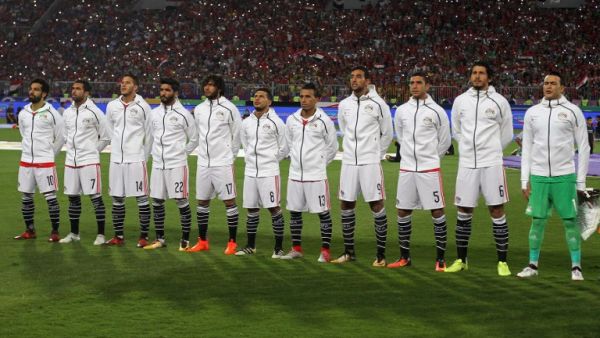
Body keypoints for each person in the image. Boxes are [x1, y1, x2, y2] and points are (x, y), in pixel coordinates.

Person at [517, 72, 590, 281]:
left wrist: (581, 181)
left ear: (562, 88)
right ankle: (532, 265)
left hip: (564, 177)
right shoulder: (532, 113)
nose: (548, 87)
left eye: (553, 83)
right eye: (546, 83)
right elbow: (527, 148)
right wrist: (525, 180)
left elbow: (583, 147)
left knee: (570, 221)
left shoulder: (573, 111)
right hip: (539, 177)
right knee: (537, 221)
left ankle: (576, 267)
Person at [446, 61, 513, 276]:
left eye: (481, 73)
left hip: (492, 163)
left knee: (496, 210)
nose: (477, 77)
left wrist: (492, 151)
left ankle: (502, 262)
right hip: (467, 164)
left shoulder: (499, 101)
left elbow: (507, 133)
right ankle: (461, 259)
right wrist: (468, 149)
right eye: (474, 73)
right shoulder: (460, 101)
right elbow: (456, 130)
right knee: (464, 211)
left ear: (489, 78)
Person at [388, 72, 451, 271]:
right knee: (403, 210)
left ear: (427, 86)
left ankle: (440, 260)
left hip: (429, 168)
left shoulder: (437, 111)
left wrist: (431, 158)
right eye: (412, 83)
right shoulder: (402, 111)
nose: (414, 86)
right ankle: (404, 257)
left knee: (437, 210)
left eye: (419, 83)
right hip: (407, 168)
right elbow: (400, 134)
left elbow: (445, 140)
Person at [332, 66, 393, 266]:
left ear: (367, 80)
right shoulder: (344, 105)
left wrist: (376, 155)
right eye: (352, 77)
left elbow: (387, 133)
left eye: (359, 77)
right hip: (349, 161)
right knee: (346, 204)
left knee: (376, 204)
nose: (355, 80)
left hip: (370, 162)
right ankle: (349, 252)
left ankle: (381, 256)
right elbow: (344, 127)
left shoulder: (379, 103)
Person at [278, 83, 338, 261]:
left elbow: (332, 148)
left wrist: (318, 164)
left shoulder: (324, 121)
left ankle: (325, 251)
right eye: (302, 96)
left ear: (317, 99)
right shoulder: (291, 119)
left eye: (308, 97)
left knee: (323, 213)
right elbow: (288, 144)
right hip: (295, 174)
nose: (303, 100)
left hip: (316, 176)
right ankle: (296, 248)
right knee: (295, 212)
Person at [143, 78, 198, 250]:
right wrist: (146, 159)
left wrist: (182, 153)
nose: (163, 93)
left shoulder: (184, 114)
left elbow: (194, 138)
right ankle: (160, 239)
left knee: (181, 201)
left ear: (175, 92)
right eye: (161, 90)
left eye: (167, 90)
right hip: (158, 164)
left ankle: (185, 240)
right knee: (157, 201)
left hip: (177, 165)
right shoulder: (154, 113)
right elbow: (149, 139)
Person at [190, 75, 242, 255]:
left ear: (219, 88)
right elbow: (196, 135)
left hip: (223, 163)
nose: (207, 88)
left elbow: (237, 136)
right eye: (206, 84)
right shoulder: (199, 109)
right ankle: (202, 241)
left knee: (229, 201)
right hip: (203, 162)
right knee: (202, 201)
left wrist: (230, 157)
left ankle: (232, 242)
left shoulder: (230, 108)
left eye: (211, 85)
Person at [235, 88, 289, 258]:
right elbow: (244, 143)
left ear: (269, 102)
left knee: (274, 208)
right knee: (251, 209)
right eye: (256, 96)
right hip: (250, 172)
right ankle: (250, 246)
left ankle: (278, 248)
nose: (257, 99)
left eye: (262, 96)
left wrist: (271, 160)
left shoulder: (277, 122)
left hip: (268, 172)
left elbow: (284, 147)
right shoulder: (246, 123)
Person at [104, 73, 153, 247]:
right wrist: (116, 147)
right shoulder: (112, 106)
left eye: (128, 83)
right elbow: (109, 129)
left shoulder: (143, 107)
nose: (123, 85)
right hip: (117, 160)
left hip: (136, 159)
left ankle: (143, 236)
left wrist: (143, 157)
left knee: (141, 198)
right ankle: (118, 236)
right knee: (117, 198)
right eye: (122, 83)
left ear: (136, 87)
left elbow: (150, 135)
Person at [59, 80, 111, 245]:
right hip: (70, 161)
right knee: (73, 198)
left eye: (78, 89)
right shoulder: (67, 112)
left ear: (87, 92)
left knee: (95, 198)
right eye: (73, 89)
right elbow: (65, 135)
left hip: (88, 161)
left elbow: (106, 136)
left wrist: (93, 151)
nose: (74, 91)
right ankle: (74, 233)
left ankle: (101, 235)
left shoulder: (95, 112)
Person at [14, 79, 65, 241]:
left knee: (50, 198)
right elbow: (23, 133)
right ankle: (30, 230)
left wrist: (50, 155)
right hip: (26, 162)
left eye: (36, 89)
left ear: (44, 94)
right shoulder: (23, 113)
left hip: (45, 163)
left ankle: (55, 232)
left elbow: (61, 138)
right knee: (26, 197)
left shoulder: (52, 113)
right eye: (31, 88)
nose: (31, 91)